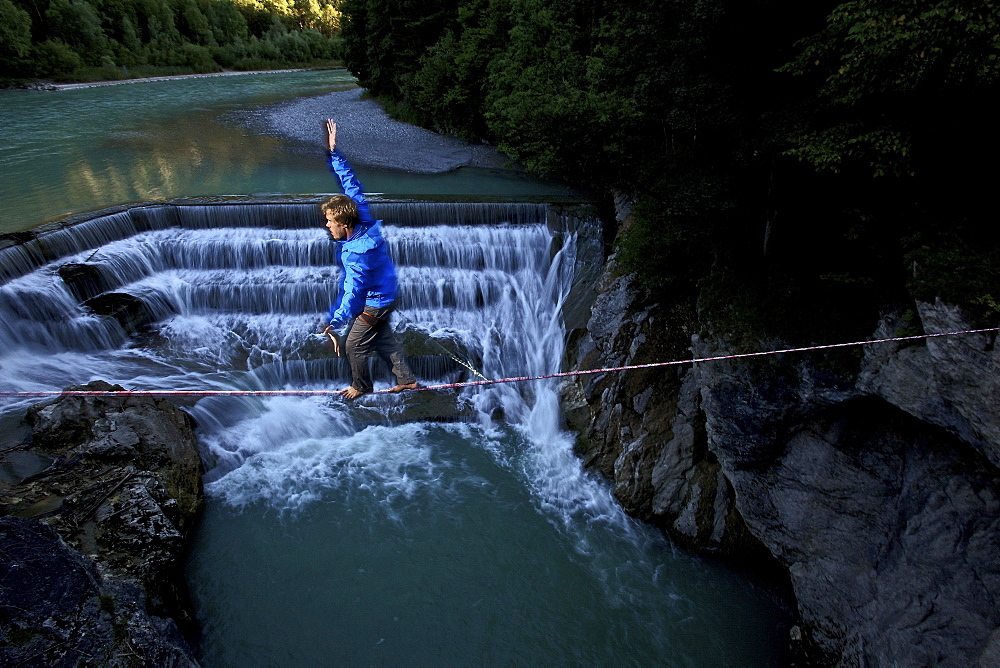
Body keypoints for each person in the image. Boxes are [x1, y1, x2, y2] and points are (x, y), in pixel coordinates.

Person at [320, 119, 418, 399]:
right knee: (383, 339)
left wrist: (335, 321)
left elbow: (353, 292)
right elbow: (351, 184)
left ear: (344, 224)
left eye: (330, 221)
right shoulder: (360, 214)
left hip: (375, 301)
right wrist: (334, 153)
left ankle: (360, 386)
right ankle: (407, 380)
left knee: (354, 345)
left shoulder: (356, 254)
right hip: (388, 292)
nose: (327, 225)